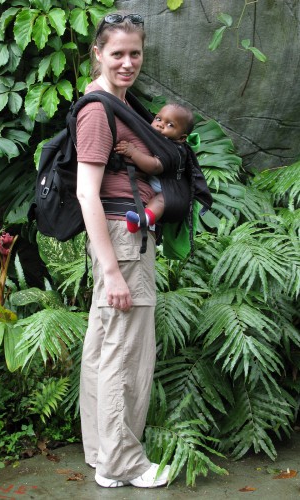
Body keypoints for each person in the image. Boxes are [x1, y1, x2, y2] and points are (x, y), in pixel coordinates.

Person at [76, 12, 171, 488]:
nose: (127, 62)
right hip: (122, 241)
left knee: (104, 346)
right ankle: (123, 463)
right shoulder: (99, 111)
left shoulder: (119, 104)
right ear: (98, 53)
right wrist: (112, 270)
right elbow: (85, 193)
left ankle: (102, 454)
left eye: (135, 53)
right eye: (117, 53)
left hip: (118, 238)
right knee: (125, 354)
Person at [114, 102, 194, 233]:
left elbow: (154, 167)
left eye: (170, 125)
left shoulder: (174, 150)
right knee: (156, 200)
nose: (160, 124)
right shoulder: (157, 140)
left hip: (175, 195)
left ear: (181, 138)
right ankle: (152, 224)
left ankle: (142, 220)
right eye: (158, 119)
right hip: (159, 186)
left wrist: (133, 152)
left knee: (160, 201)